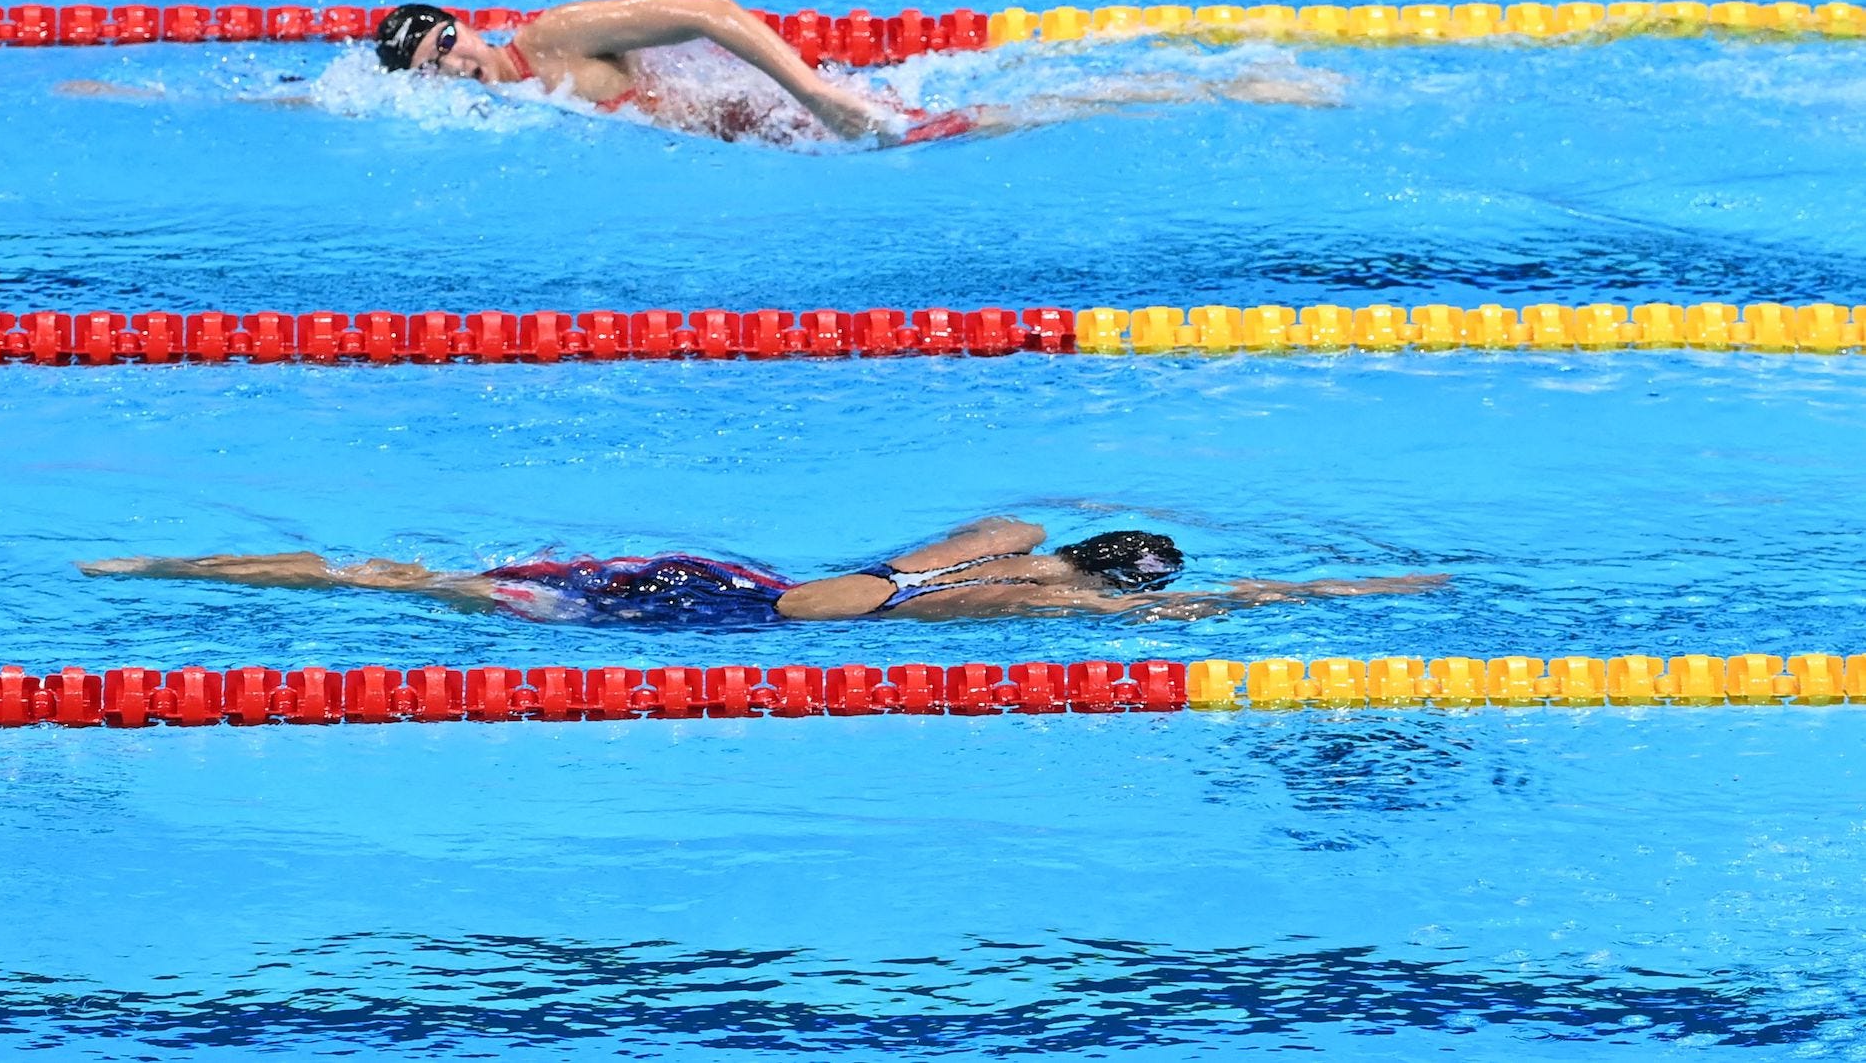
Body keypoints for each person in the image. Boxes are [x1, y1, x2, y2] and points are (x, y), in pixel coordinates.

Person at [78, 516, 1445, 625]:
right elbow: (1237, 602)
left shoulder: (1001, 550)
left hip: (722, 571)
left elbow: (1026, 517)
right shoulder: (1058, 600)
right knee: (407, 589)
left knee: (404, 571)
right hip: (712, 608)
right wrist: (1357, 594)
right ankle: (179, 564)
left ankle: (163, 556)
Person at [367, 0, 1341, 145]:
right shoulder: (512, 104)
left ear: (463, 21)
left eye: (443, 44)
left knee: (1022, 115)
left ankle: (1229, 81)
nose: (451, 69)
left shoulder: (556, 40)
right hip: (783, 144)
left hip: (814, 123)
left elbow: (710, 8)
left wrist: (819, 93)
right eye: (429, 70)